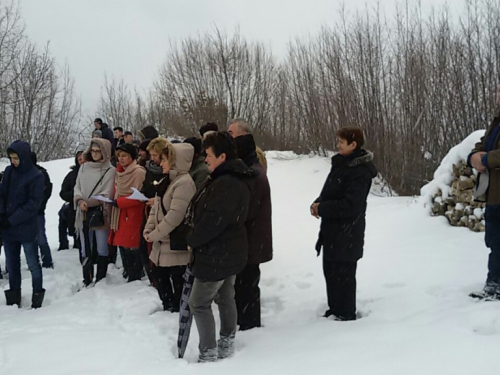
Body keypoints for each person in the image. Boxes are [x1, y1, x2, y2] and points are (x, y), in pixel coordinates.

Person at [186, 131, 256, 362]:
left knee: (199, 303)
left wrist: (191, 239)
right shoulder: (233, 177)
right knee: (226, 297)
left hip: (216, 254)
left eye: (208, 155)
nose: (205, 159)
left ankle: (208, 352)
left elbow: (213, 221)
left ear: (222, 156)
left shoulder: (226, 182)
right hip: (229, 251)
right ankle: (226, 343)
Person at [311, 127, 377, 321]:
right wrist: (317, 203)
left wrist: (322, 208)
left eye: (341, 142)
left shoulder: (360, 172)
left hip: (347, 234)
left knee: (344, 277)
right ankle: (334, 309)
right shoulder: (341, 164)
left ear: (353, 144)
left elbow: (351, 206)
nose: (337, 145)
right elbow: (330, 192)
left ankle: (346, 316)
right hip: (332, 232)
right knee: (331, 273)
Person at [144, 143, 196, 311]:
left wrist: (155, 235)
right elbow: (156, 208)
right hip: (162, 243)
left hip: (175, 246)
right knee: (161, 279)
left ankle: (175, 315)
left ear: (175, 161)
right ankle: (168, 308)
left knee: (177, 284)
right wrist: (148, 229)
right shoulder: (168, 180)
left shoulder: (184, 183)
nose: (161, 163)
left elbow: (175, 216)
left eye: (165, 160)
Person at [233, 133, 273, 330]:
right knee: (244, 283)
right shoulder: (252, 170)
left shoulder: (253, 173)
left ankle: (250, 324)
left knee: (247, 284)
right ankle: (246, 320)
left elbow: (247, 210)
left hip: (252, 239)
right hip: (252, 238)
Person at [0, 140, 45, 308]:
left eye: (16, 158)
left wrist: (11, 219)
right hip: (8, 230)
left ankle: (37, 294)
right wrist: (2, 214)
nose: (13, 161)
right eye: (11, 158)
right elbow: (2, 194)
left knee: (33, 263)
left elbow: (33, 204)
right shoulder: (9, 172)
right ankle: (14, 296)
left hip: (26, 228)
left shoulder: (36, 176)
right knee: (12, 264)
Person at [468, 83, 500, 298]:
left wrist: (487, 159)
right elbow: (482, 144)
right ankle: (494, 284)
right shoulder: (497, 120)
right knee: (495, 241)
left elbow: (490, 153)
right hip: (493, 193)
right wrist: (474, 157)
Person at [74, 138, 116, 286]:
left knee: (101, 246)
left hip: (100, 212)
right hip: (83, 212)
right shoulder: (84, 168)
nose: (95, 153)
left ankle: (101, 277)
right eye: (93, 151)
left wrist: (89, 202)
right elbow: (77, 187)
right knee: (85, 246)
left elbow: (107, 193)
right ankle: (87, 277)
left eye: (98, 151)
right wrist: (79, 200)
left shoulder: (110, 170)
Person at [108, 143, 146, 282]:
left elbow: (139, 196)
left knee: (132, 245)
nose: (121, 159)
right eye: (119, 156)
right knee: (123, 245)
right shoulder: (119, 172)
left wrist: (119, 202)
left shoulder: (138, 172)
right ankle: (128, 271)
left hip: (132, 213)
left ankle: (135, 274)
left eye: (124, 156)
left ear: (132, 156)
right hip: (119, 213)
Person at [138, 137, 170, 284]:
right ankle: (153, 278)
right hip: (149, 211)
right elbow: (146, 187)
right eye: (151, 155)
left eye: (156, 155)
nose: (153, 159)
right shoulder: (149, 169)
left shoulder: (168, 171)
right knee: (145, 247)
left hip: (163, 213)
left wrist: (156, 200)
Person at [59, 150, 85, 252]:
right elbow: (63, 192)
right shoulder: (71, 175)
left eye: (84, 158)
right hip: (74, 208)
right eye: (79, 159)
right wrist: (74, 196)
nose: (82, 161)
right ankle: (64, 244)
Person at [31, 152, 54, 269]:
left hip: (38, 212)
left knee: (40, 238)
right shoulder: (20, 173)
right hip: (25, 213)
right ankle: (34, 262)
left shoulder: (41, 173)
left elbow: (47, 190)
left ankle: (47, 261)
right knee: (30, 240)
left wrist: (40, 205)